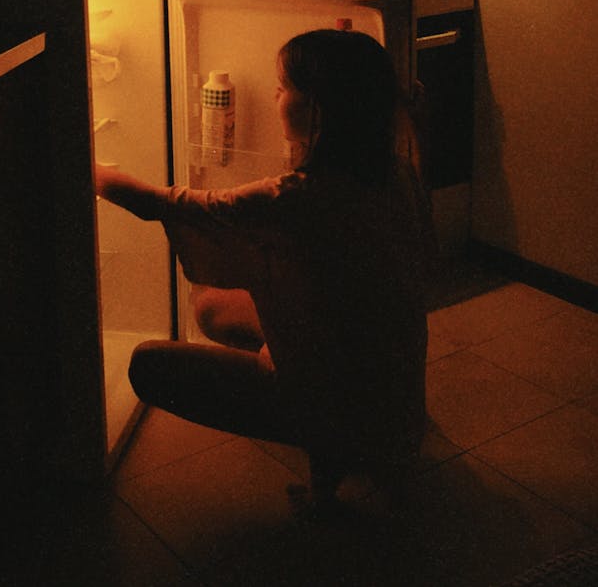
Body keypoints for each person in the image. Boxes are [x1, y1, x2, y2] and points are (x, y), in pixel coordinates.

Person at [94, 29, 435, 517]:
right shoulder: (394, 172)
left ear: (318, 107)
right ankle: (341, 458)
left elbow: (168, 204)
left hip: (338, 400)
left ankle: (332, 441)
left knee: (147, 365)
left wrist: (90, 169)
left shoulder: (294, 198)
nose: (275, 95)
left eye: (283, 86)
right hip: (395, 401)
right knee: (212, 306)